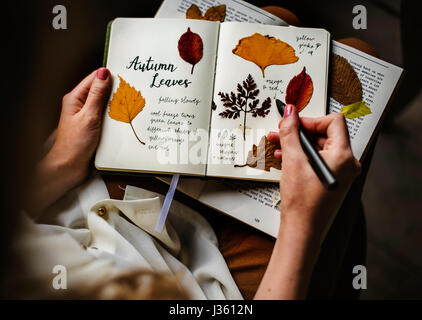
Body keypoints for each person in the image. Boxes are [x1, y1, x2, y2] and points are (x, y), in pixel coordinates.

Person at [14, 60, 360, 299]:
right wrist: (302, 223)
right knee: (358, 54)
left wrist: (61, 163)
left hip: (87, 197)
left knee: (276, 18)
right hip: (208, 283)